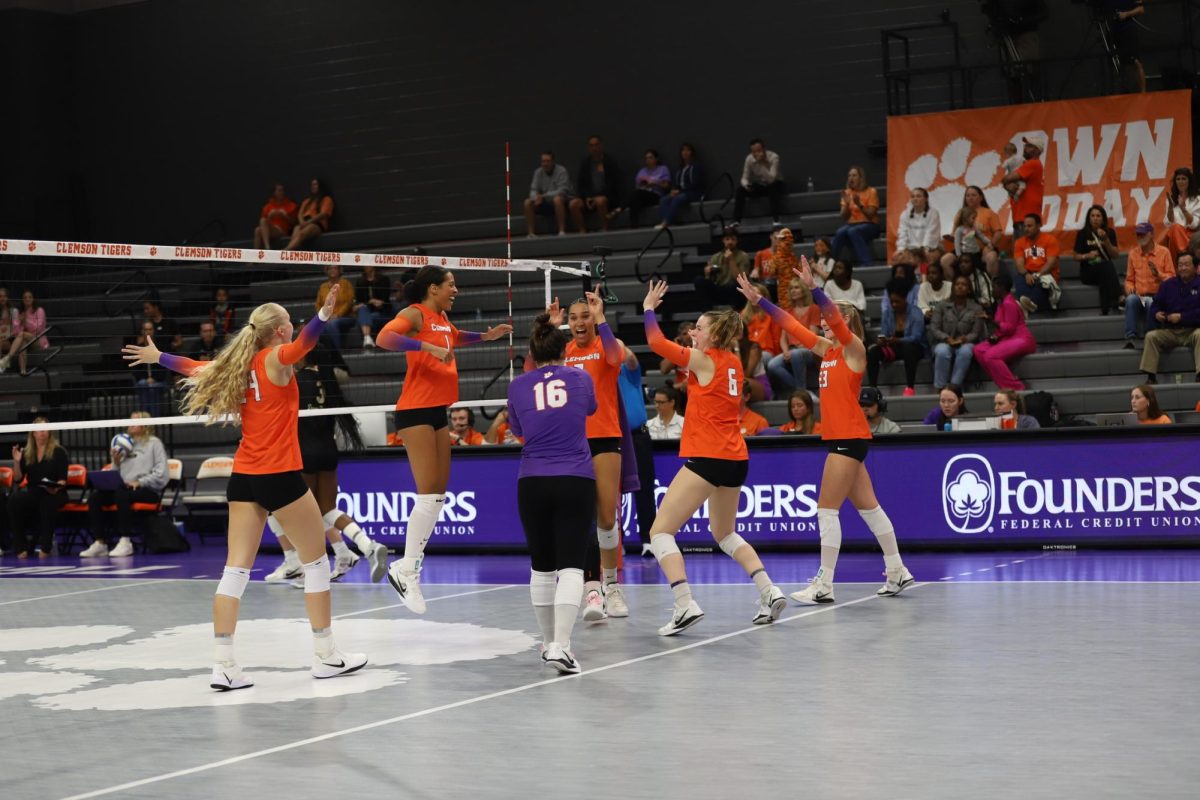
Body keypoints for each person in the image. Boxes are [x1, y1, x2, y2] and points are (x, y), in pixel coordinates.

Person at [122, 287, 367, 689]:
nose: (294, 327)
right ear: (281, 330)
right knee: (317, 563)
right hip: (280, 475)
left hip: (245, 476)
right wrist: (322, 316)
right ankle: (326, 656)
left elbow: (193, 367)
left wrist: (158, 357)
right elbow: (305, 343)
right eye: (290, 321)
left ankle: (224, 666)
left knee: (235, 570)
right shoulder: (276, 358)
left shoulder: (237, 364)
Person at [736, 264, 914, 604]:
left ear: (845, 322)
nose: (821, 321)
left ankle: (824, 583)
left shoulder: (853, 349)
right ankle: (897, 570)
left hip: (849, 438)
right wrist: (761, 301)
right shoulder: (827, 349)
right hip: (845, 438)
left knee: (826, 510)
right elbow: (790, 325)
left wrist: (816, 289)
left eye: (830, 318)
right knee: (870, 509)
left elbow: (831, 316)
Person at [642, 280, 787, 634]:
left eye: (699, 328)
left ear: (712, 335)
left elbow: (655, 343)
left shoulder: (703, 360)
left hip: (708, 456)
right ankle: (769, 591)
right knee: (724, 533)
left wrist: (648, 308)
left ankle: (684, 603)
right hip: (736, 457)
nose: (693, 331)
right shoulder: (733, 362)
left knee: (660, 532)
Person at [375, 266, 512, 612]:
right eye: (451, 285)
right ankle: (406, 568)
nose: (456, 290)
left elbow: (453, 336)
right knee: (427, 494)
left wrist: (485, 337)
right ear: (433, 288)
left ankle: (408, 567)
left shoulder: (441, 319)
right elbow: (384, 338)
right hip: (414, 411)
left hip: (437, 410)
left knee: (437, 495)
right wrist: (427, 348)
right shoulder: (416, 314)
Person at [507, 315, 598, 673]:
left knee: (542, 568)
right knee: (571, 567)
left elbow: (517, 428)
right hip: (575, 477)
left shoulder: (517, 386)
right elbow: (589, 409)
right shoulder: (580, 377)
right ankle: (561, 645)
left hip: (532, 481)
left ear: (531, 353)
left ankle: (550, 644)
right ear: (565, 350)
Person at [263, 344, 389, 584]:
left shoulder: (295, 381)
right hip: (328, 451)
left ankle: (304, 568)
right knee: (327, 510)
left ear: (303, 356)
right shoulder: (327, 380)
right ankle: (367, 546)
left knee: (297, 515)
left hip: (304, 456)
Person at [551, 292, 631, 620]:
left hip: (605, 438)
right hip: (570, 440)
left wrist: (601, 319)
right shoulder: (562, 352)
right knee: (580, 518)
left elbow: (616, 357)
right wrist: (550, 329)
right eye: (574, 318)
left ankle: (612, 586)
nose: (579, 322)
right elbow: (533, 368)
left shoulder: (606, 344)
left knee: (606, 518)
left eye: (585, 316)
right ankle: (593, 589)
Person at [81, 411, 169, 558]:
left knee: (122, 496)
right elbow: (117, 473)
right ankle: (100, 542)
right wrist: (115, 463)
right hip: (123, 489)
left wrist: (140, 482)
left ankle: (125, 541)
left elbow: (162, 474)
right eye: (130, 421)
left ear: (145, 425)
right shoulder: (122, 443)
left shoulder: (154, 443)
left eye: (135, 421)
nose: (131, 424)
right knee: (95, 498)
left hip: (147, 490)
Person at [8, 417, 68, 558]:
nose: (42, 432)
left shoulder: (59, 451)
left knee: (47, 502)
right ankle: (20, 546)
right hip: (35, 491)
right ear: (33, 433)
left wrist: (55, 488)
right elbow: (18, 479)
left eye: (45, 429)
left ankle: (46, 548)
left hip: (55, 492)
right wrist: (16, 462)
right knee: (14, 499)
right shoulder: (27, 453)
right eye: (39, 429)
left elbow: (63, 480)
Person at [1139, 251, 1200, 384]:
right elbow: (1155, 305)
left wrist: (1182, 317)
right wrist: (1156, 314)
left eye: (1186, 265)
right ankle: (1151, 377)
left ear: (1196, 267)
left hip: (1193, 330)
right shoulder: (1167, 285)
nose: (1183, 268)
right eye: (1180, 265)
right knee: (1151, 336)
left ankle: (1199, 375)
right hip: (1171, 331)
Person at [620, 348, 658, 555]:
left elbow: (632, 359)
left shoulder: (627, 370)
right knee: (612, 493)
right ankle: (617, 544)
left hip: (637, 437)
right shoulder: (597, 374)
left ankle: (649, 541)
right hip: (613, 438)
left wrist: (617, 343)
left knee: (645, 489)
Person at [975, 273, 1037, 390]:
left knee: (990, 356)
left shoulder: (1009, 303)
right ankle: (1004, 381)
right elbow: (1002, 330)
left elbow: (1009, 328)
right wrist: (995, 337)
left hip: (1022, 339)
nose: (992, 291)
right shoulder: (1001, 304)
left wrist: (991, 320)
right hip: (1009, 338)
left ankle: (1016, 388)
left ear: (1001, 288)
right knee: (978, 350)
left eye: (994, 287)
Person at [868, 280, 925, 397]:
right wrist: (882, 341)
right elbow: (884, 332)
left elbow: (917, 337)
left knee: (909, 348)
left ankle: (910, 387)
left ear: (905, 299)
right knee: (873, 352)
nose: (894, 304)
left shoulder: (916, 313)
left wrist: (899, 340)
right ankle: (873, 388)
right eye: (891, 301)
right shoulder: (888, 313)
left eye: (897, 301)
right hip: (894, 347)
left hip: (915, 348)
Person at [928, 275, 986, 391]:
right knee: (942, 351)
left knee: (965, 351)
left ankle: (955, 387)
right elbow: (934, 328)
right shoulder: (942, 306)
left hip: (965, 342)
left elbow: (976, 333)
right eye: (957, 284)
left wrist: (964, 339)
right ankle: (940, 388)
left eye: (963, 285)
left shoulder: (976, 308)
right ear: (953, 288)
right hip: (944, 341)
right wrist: (946, 338)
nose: (960, 287)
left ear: (969, 289)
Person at [1124, 221, 1175, 347]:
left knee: (1151, 302)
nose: (1140, 237)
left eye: (1143, 234)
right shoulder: (1133, 253)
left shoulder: (1164, 252)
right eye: (1138, 235)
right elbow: (1129, 279)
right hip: (1140, 295)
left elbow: (1173, 278)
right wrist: (1130, 288)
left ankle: (1151, 337)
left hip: (1158, 296)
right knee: (1130, 299)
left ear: (1151, 234)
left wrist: (1159, 275)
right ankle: (1130, 338)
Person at [1066, 204, 1121, 315]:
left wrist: (1106, 240)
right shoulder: (1082, 234)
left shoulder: (1109, 232)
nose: (1095, 218)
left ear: (1103, 219)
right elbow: (1075, 256)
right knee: (1107, 266)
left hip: (1105, 270)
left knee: (1105, 270)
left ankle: (1105, 309)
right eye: (1093, 216)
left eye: (1098, 216)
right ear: (1089, 218)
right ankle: (1118, 298)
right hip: (1088, 271)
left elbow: (1115, 255)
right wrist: (1087, 256)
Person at [767, 281, 821, 392]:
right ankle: (802, 391)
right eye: (791, 288)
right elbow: (783, 338)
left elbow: (812, 335)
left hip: (809, 349)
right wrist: (786, 351)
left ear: (804, 290)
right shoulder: (787, 312)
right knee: (772, 365)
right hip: (791, 350)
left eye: (796, 287)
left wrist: (796, 349)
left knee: (796, 353)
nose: (793, 290)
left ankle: (801, 390)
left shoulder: (814, 309)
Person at [940, 186, 1005, 278]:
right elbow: (954, 234)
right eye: (968, 195)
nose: (970, 197)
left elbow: (998, 232)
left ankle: (992, 286)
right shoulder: (960, 213)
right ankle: (954, 286)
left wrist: (991, 245)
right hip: (964, 249)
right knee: (945, 260)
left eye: (973, 195)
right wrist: (952, 238)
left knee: (992, 257)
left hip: (984, 249)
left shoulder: (989, 213)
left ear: (981, 197)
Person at [831, 165, 881, 267]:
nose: (851, 178)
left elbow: (871, 214)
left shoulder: (871, 191)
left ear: (861, 178)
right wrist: (847, 205)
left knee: (853, 231)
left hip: (870, 224)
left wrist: (859, 204)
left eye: (854, 175)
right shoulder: (847, 193)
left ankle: (867, 263)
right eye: (849, 176)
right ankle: (830, 263)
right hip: (852, 224)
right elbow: (844, 217)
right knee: (840, 232)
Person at [571, 136, 623, 232]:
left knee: (600, 201)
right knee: (574, 204)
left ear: (601, 146)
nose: (594, 148)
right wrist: (587, 197)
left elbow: (614, 185)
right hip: (589, 198)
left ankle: (605, 228)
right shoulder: (585, 163)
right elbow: (581, 184)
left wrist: (597, 197)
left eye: (596, 145)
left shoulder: (609, 162)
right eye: (591, 146)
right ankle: (582, 230)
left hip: (607, 197)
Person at [1012, 212, 1061, 314]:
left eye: (1030, 226)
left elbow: (1051, 263)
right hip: (1028, 273)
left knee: (1042, 282)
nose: (1026, 229)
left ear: (1039, 225)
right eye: (1024, 226)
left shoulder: (1050, 239)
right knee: (1019, 278)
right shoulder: (1019, 242)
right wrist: (1026, 274)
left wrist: (1038, 275)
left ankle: (1027, 305)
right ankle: (1030, 304)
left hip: (1046, 273)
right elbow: (1019, 263)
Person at [741, 284, 781, 400]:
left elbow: (776, 338)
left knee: (762, 357)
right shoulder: (742, 316)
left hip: (766, 352)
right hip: (747, 352)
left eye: (757, 293)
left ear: (764, 297)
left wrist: (777, 356)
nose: (753, 296)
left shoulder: (772, 315)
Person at [694, 227, 749, 309]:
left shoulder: (743, 256)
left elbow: (741, 280)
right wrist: (707, 272)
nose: (730, 242)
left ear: (737, 241)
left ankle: (738, 313)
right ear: (723, 240)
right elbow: (710, 280)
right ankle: (706, 313)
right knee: (699, 280)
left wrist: (731, 261)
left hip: (734, 291)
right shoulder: (716, 257)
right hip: (719, 289)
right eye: (727, 239)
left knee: (736, 285)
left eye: (733, 239)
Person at [734, 138, 785, 223]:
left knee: (774, 187)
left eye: (758, 150)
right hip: (761, 185)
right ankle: (736, 220)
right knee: (740, 190)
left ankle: (776, 220)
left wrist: (760, 163)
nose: (756, 153)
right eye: (753, 152)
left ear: (764, 149)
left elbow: (771, 179)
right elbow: (744, 177)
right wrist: (746, 185)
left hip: (776, 184)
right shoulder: (749, 159)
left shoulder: (774, 157)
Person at [524, 151, 574, 237]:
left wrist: (543, 196)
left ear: (553, 161)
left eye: (548, 161)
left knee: (557, 199)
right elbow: (533, 189)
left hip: (563, 202)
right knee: (527, 202)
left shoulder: (561, 171)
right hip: (545, 203)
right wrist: (535, 198)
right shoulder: (538, 172)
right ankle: (531, 233)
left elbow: (562, 190)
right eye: (543, 161)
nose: (545, 164)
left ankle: (561, 231)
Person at [1003, 135, 1045, 232]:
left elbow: (1008, 178)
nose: (1025, 148)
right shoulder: (1027, 164)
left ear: (1037, 150)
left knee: (1024, 246)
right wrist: (1007, 185)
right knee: (1023, 246)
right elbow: (1008, 180)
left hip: (1026, 216)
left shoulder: (1033, 163)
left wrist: (1005, 183)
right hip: (1023, 216)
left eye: (1029, 146)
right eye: (1025, 145)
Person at [658, 142, 704, 229]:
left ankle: (666, 222)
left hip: (694, 192)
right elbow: (677, 183)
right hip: (681, 192)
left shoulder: (697, 166)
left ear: (692, 152)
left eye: (687, 150)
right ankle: (666, 220)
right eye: (683, 150)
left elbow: (696, 184)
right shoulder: (680, 168)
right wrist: (673, 190)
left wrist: (679, 191)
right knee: (664, 199)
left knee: (679, 198)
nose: (685, 152)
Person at [893, 187, 942, 266]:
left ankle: (924, 278)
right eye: (913, 196)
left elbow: (931, 235)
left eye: (918, 196)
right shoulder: (905, 214)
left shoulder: (933, 213)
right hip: (911, 249)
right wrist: (901, 249)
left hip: (930, 249)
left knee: (925, 258)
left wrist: (924, 250)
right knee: (898, 258)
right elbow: (902, 233)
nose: (915, 199)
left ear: (926, 199)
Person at [1106, 0, 1147, 93]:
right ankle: (1125, 91)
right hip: (1114, 31)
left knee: (1136, 61)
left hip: (1128, 30)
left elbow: (1141, 9)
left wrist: (1126, 14)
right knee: (1122, 64)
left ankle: (1143, 93)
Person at [131, 321, 171, 417]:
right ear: (142, 331)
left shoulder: (160, 347)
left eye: (150, 329)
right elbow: (135, 369)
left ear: (153, 331)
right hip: (142, 381)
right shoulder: (138, 349)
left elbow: (164, 368)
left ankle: (154, 418)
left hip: (159, 381)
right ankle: (146, 417)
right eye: (146, 330)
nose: (148, 332)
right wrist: (146, 378)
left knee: (154, 387)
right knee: (143, 384)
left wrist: (154, 378)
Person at [8, 290, 50, 376]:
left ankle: (8, 357)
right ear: (22, 300)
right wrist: (21, 323)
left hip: (38, 339)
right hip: (25, 340)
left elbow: (39, 329)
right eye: (25, 297)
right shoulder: (19, 313)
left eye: (30, 297)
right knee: (22, 341)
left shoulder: (39, 310)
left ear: (33, 299)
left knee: (22, 335)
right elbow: (16, 332)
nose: (27, 299)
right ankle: (23, 370)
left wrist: (26, 321)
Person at [285, 178, 334, 251]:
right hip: (304, 222)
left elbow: (323, 214)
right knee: (296, 229)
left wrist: (309, 222)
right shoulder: (307, 201)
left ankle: (285, 251)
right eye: (312, 185)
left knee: (302, 233)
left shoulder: (326, 199)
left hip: (316, 224)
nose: (313, 186)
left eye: (315, 184)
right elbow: (300, 214)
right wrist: (302, 222)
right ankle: (292, 250)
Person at [1162, 167, 1200, 259]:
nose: (1180, 181)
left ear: (1189, 181)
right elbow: (1168, 223)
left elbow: (1194, 225)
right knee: (1175, 228)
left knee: (1175, 229)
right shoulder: (1171, 199)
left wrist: (1183, 209)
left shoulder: (1197, 199)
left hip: (1192, 235)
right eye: (1178, 179)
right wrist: (1170, 208)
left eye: (1184, 178)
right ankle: (1185, 255)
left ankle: (1184, 255)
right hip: (1175, 234)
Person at [315, 264, 356, 350]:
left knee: (332, 323)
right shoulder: (323, 287)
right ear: (326, 271)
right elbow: (318, 304)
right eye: (330, 268)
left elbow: (349, 301)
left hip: (346, 317)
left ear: (339, 270)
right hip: (328, 317)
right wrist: (324, 316)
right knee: (318, 327)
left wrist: (337, 315)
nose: (332, 270)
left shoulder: (345, 283)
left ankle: (336, 352)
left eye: (335, 268)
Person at [627, 149, 671, 227]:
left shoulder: (663, 169)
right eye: (646, 158)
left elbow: (666, 185)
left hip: (656, 194)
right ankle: (634, 225)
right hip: (643, 193)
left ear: (656, 159)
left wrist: (655, 183)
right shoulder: (642, 171)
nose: (648, 160)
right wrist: (644, 184)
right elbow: (637, 185)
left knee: (636, 195)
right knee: (635, 200)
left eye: (650, 158)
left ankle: (620, 208)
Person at [355, 264, 393, 350]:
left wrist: (380, 302)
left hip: (383, 311)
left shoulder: (384, 279)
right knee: (363, 309)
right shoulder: (360, 281)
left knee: (364, 318)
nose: (366, 266)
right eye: (364, 265)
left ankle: (367, 339)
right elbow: (359, 300)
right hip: (367, 310)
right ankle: (367, 338)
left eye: (368, 264)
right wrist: (368, 302)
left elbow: (386, 298)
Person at [253, 183, 297, 250]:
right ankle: (257, 255)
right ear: (274, 193)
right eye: (279, 191)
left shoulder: (291, 205)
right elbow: (263, 224)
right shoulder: (268, 206)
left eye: (282, 191)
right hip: (270, 231)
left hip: (282, 231)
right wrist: (270, 217)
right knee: (258, 230)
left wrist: (285, 216)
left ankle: (267, 248)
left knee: (261, 225)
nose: (281, 193)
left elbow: (294, 223)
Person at [765, 227, 801, 311]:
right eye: (784, 240)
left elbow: (799, 272)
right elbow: (771, 272)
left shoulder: (793, 257)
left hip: (795, 286)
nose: (788, 242)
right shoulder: (776, 258)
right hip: (783, 289)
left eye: (790, 240)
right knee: (786, 309)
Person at [0, 287, 18, 370]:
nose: (2, 298)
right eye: (0, 296)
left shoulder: (13, 311)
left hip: (10, 340)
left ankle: (2, 365)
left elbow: (16, 330)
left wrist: (6, 336)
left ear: (7, 298)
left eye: (4, 296)